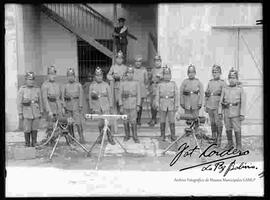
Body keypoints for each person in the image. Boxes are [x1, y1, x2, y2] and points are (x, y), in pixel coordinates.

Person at [218, 68, 246, 150]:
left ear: (237, 79)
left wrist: (242, 114)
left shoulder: (240, 89)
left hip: (236, 112)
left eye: (233, 78)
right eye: (230, 78)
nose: (231, 80)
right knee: (228, 128)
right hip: (226, 112)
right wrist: (220, 112)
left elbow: (243, 102)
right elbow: (221, 101)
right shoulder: (225, 88)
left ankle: (239, 145)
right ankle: (230, 144)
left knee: (237, 128)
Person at [89, 67, 115, 145]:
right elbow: (90, 98)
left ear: (102, 76)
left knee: (108, 123)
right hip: (97, 107)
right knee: (100, 123)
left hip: (106, 106)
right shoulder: (92, 86)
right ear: (95, 76)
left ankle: (110, 137)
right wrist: (91, 107)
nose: (99, 77)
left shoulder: (106, 85)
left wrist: (111, 106)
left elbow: (110, 97)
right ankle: (100, 137)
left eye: (100, 75)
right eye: (97, 75)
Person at [17, 72, 43, 147]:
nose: (31, 81)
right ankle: (27, 143)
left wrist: (41, 111)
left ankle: (34, 142)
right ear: (26, 80)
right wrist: (20, 113)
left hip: (36, 111)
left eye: (32, 80)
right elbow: (19, 102)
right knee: (27, 129)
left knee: (35, 128)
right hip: (26, 112)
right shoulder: (22, 89)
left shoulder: (37, 89)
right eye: (29, 79)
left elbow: (40, 101)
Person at [41, 66, 65, 144]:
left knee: (58, 124)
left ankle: (54, 139)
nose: (52, 75)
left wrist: (62, 107)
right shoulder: (45, 85)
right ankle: (49, 140)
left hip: (57, 106)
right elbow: (44, 99)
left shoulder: (58, 84)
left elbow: (60, 98)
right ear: (48, 75)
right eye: (50, 74)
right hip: (50, 106)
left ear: (55, 74)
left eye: (53, 74)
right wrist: (49, 111)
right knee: (50, 125)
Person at [204, 65, 226, 147]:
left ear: (220, 73)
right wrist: (205, 104)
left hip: (218, 106)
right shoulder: (210, 82)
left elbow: (224, 95)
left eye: (216, 72)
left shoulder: (223, 83)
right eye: (213, 72)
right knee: (212, 122)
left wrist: (221, 107)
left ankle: (219, 139)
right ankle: (214, 138)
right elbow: (206, 94)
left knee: (218, 123)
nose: (214, 73)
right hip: (210, 105)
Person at [155, 66, 179, 141]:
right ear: (163, 75)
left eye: (168, 74)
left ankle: (173, 135)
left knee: (172, 121)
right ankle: (162, 135)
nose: (167, 76)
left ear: (171, 75)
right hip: (162, 104)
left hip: (171, 104)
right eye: (165, 74)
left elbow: (176, 95)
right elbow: (157, 95)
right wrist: (157, 104)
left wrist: (176, 104)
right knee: (162, 121)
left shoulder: (173, 84)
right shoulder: (160, 84)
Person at [62, 68, 86, 144]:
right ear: (67, 77)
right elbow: (62, 97)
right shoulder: (65, 86)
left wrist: (81, 105)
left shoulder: (78, 85)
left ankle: (81, 137)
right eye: (69, 76)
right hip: (68, 106)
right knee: (70, 123)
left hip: (76, 105)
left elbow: (81, 96)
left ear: (74, 76)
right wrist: (64, 106)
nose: (70, 77)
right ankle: (72, 137)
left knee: (78, 123)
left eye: (72, 75)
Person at [119, 66, 141, 143]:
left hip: (133, 104)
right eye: (129, 73)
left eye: (132, 73)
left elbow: (139, 94)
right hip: (125, 104)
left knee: (133, 121)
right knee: (125, 121)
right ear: (126, 74)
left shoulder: (136, 83)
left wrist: (138, 105)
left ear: (133, 74)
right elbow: (120, 95)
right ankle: (127, 135)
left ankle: (135, 136)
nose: (130, 74)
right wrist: (121, 105)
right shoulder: (122, 83)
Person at [148, 55, 164, 127]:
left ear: (160, 62)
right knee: (152, 104)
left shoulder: (163, 70)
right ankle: (153, 118)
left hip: (160, 87)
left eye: (158, 61)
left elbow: (167, 77)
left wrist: (161, 76)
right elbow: (150, 78)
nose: (157, 63)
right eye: (156, 61)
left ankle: (161, 120)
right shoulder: (153, 70)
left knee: (159, 104)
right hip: (153, 88)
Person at [133, 55, 148, 126]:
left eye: (139, 62)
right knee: (133, 104)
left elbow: (146, 80)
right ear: (134, 62)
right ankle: (134, 119)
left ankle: (138, 119)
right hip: (133, 90)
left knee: (140, 105)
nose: (138, 63)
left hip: (141, 89)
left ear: (141, 62)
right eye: (136, 61)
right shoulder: (131, 69)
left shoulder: (144, 70)